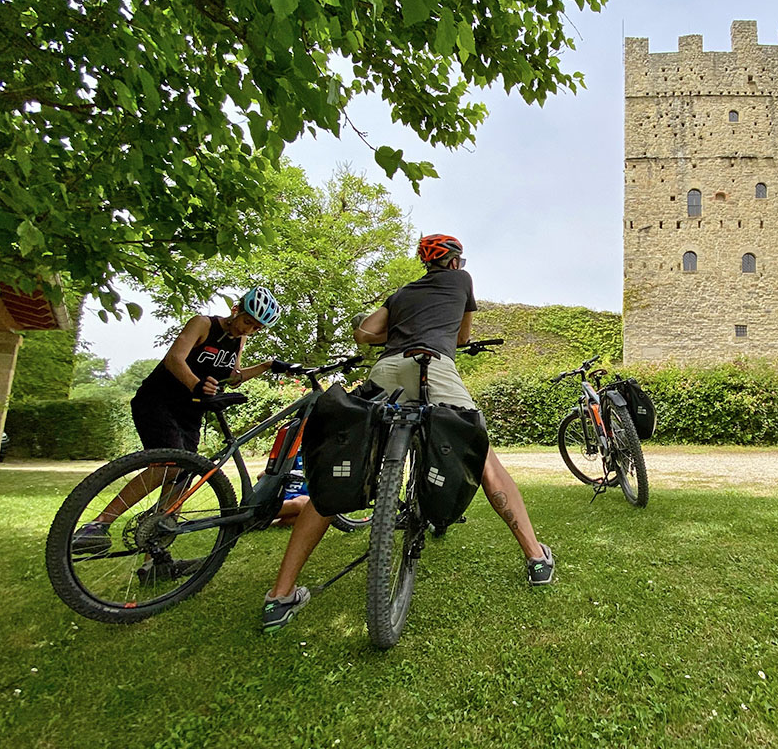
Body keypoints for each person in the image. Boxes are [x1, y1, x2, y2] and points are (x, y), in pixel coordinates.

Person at [261, 235, 555, 633]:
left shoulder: (400, 292)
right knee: (485, 461)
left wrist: (400, 328)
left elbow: (364, 333)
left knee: (337, 473)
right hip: (432, 367)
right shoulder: (461, 280)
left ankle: (279, 597)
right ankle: (536, 557)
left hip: (386, 371)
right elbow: (463, 338)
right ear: (453, 262)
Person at [70, 286, 289, 580]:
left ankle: (155, 562)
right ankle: (97, 525)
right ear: (237, 309)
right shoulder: (203, 324)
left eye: (257, 327)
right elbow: (175, 358)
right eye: (248, 322)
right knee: (168, 467)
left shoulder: (238, 341)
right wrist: (196, 385)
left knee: (180, 481)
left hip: (191, 414)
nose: (250, 329)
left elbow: (232, 377)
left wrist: (267, 366)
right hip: (157, 402)